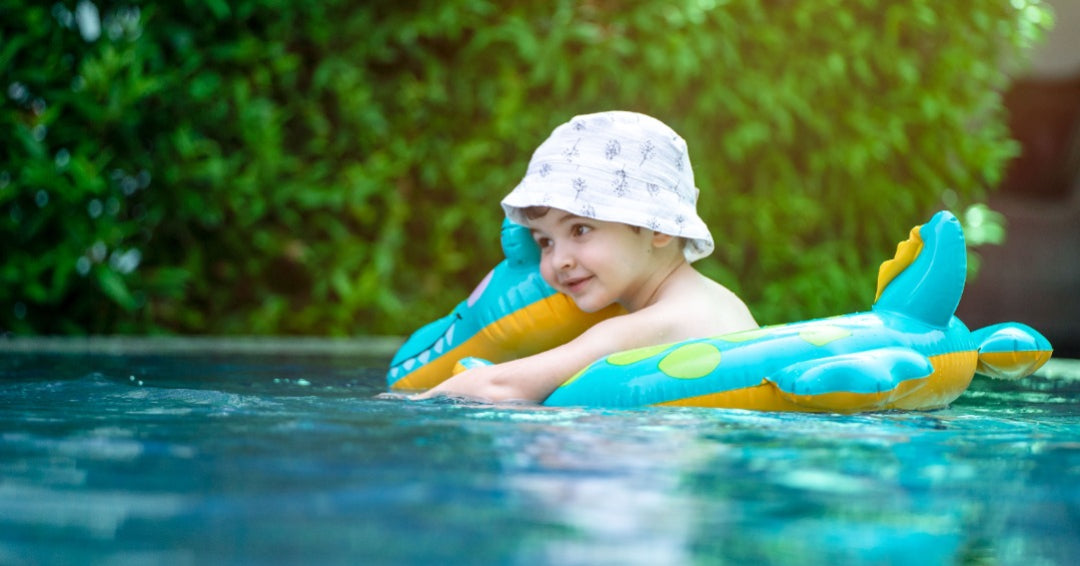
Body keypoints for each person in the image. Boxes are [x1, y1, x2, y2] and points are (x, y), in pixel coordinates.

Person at [416, 110, 757, 403]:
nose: (557, 261)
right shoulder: (717, 302)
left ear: (658, 228)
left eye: (579, 230)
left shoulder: (655, 324)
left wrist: (419, 401)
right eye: (544, 241)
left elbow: (501, 387)